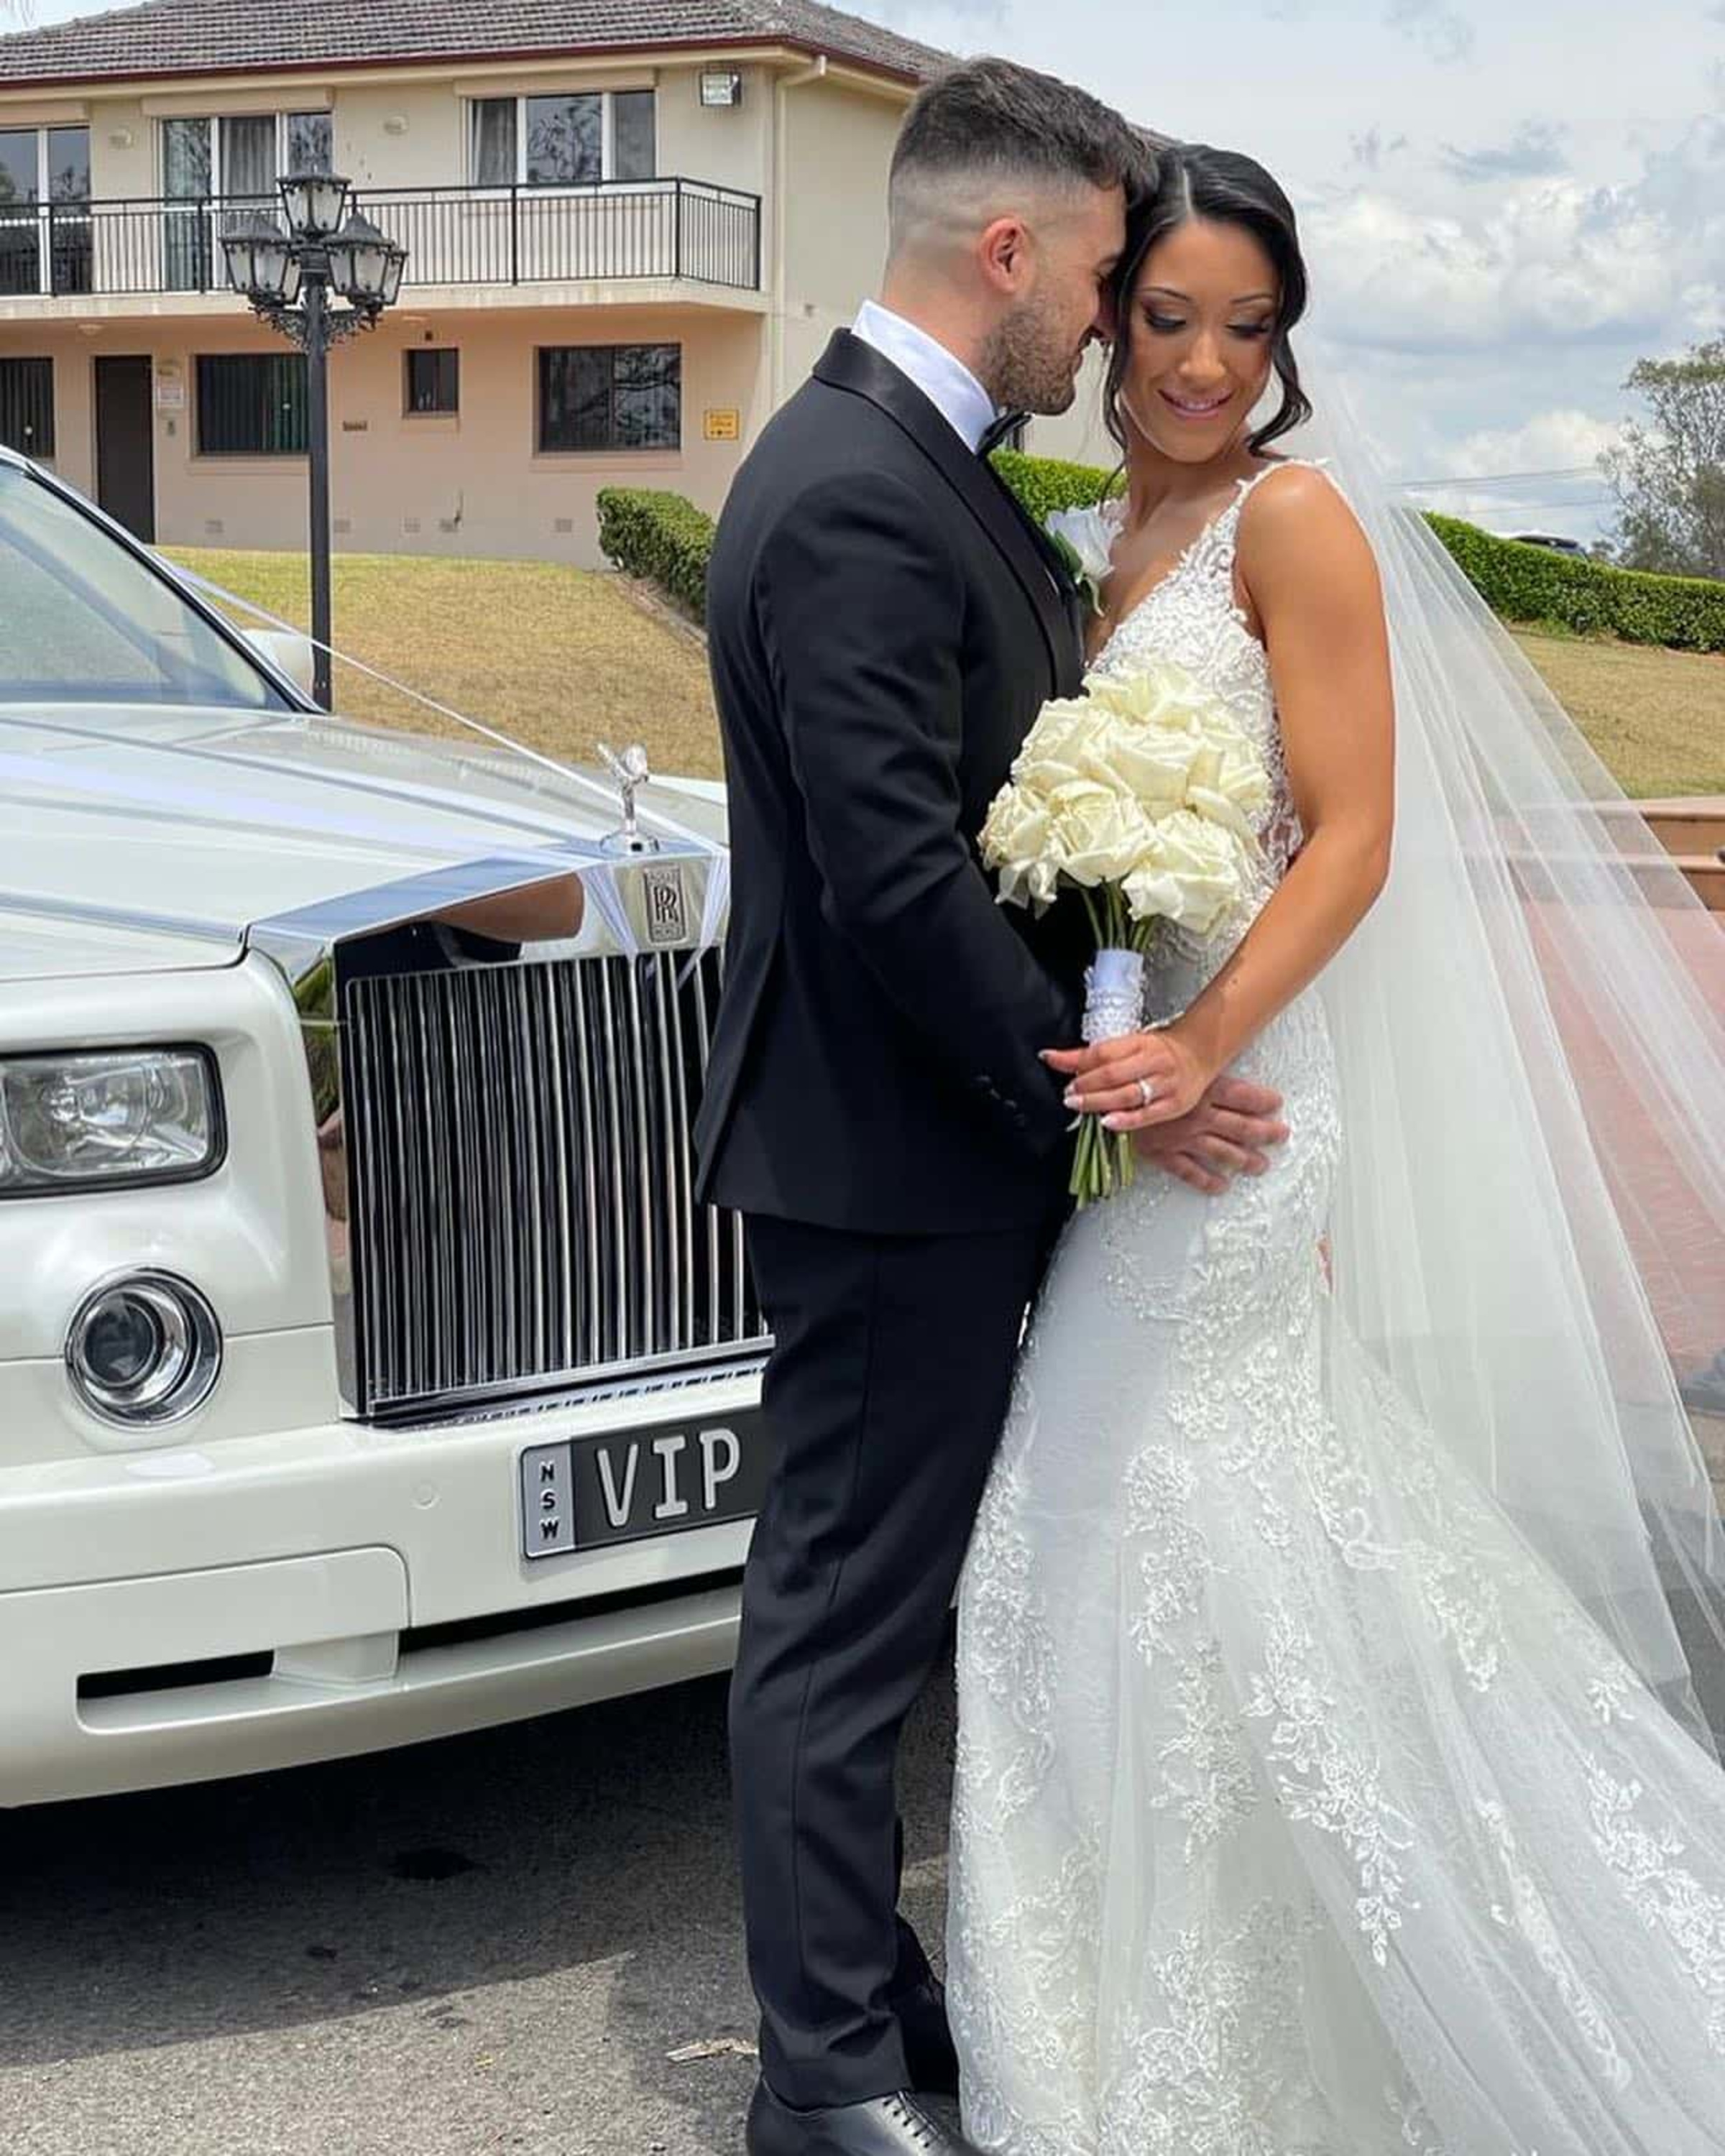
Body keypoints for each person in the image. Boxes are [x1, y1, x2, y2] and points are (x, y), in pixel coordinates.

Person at [948, 141, 1725, 2153]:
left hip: (1246, 1107)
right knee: (1158, 1549)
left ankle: (1250, 2035)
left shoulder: (1293, 527)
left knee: (1095, 1537)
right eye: (1173, 317)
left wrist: (1209, 1037)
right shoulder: (1100, 526)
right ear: (1111, 314)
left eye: (1252, 327)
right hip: (1142, 1099)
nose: (1207, 363)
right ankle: (1189, 2019)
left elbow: (1362, 832)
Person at [694, 63, 1292, 2156]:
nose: (1128, 328)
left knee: (884, 1607)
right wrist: (1098, 1105)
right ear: (1017, 254)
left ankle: (881, 2005)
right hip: (892, 1164)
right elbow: (893, 879)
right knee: (837, 1627)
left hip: (934, 1156)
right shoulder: (858, 483)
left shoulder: (921, 470)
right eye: (1118, 278)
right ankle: (826, 2080)